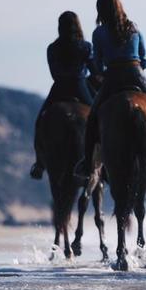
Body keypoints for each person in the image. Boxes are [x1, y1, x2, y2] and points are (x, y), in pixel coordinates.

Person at [73, 0, 146, 177]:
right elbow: (144, 60)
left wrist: (102, 72)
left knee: (93, 117)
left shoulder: (99, 32)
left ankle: (87, 163)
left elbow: (98, 62)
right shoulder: (134, 29)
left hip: (112, 76)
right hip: (137, 74)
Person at [29, 11, 97, 180]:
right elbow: (95, 70)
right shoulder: (85, 46)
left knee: (40, 121)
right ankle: (103, 161)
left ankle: (39, 164)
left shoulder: (52, 48)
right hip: (81, 86)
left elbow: (53, 73)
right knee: (98, 118)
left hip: (59, 88)